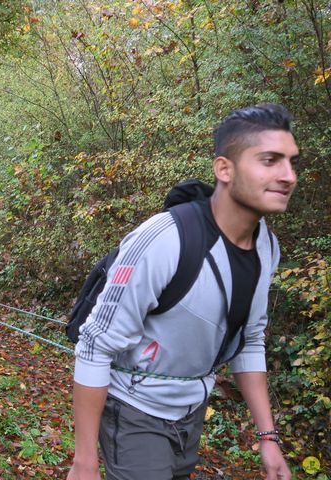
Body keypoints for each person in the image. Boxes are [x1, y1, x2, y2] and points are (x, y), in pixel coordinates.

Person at [68, 104, 297, 480]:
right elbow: (95, 345)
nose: (288, 176)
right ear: (224, 169)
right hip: (134, 409)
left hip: (192, 413)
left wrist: (267, 437)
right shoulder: (165, 238)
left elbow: (250, 340)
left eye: (292, 162)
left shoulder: (267, 248)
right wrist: (85, 460)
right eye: (269, 160)